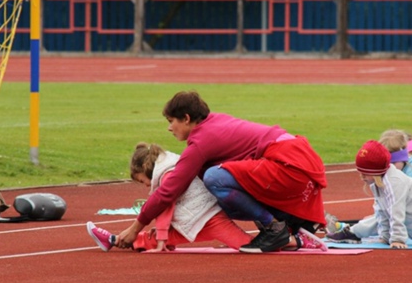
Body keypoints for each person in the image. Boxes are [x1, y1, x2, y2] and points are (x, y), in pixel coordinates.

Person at [113, 92, 328, 253]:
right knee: (225, 196)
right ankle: (293, 221)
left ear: (186, 118)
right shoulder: (216, 121)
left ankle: (274, 228)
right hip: (302, 161)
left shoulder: (201, 140)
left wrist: (135, 227)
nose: (170, 128)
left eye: (172, 121)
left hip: (289, 164)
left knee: (215, 179)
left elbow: (169, 190)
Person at [88, 143, 325, 252]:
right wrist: (161, 237)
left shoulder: (169, 175)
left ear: (147, 169)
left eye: (142, 181)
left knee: (246, 246)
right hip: (195, 219)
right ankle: (113, 240)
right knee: (165, 237)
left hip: (210, 217)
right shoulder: (171, 166)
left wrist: (161, 236)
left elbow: (165, 205)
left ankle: (299, 241)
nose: (145, 186)